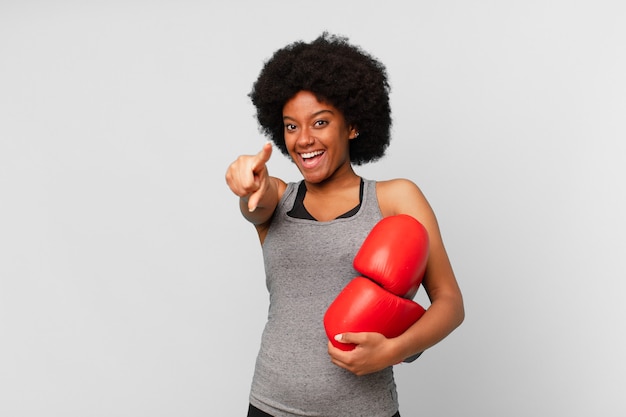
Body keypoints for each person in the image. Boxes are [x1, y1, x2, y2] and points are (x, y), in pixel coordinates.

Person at [225, 32, 464, 417]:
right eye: (290, 127)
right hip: (270, 405)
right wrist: (246, 182)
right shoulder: (277, 199)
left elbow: (450, 303)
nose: (303, 140)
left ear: (352, 126)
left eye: (319, 122)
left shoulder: (396, 198)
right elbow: (256, 201)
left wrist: (394, 350)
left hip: (365, 410)